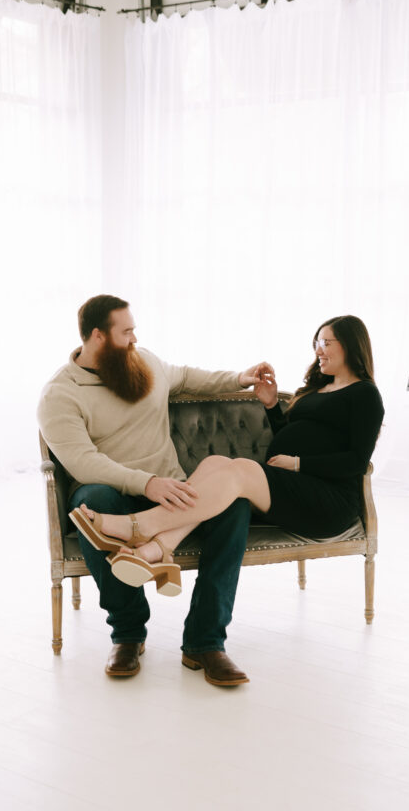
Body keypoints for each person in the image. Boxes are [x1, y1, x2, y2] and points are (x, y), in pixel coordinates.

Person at [72, 316, 385, 665]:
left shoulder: (365, 395)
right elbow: (293, 433)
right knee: (214, 463)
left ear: (352, 346)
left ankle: (141, 526)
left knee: (242, 471)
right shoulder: (315, 389)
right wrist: (270, 406)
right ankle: (158, 550)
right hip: (292, 488)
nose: (319, 350)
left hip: (327, 501)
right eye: (317, 342)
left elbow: (357, 461)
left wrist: (298, 464)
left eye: (328, 343)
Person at [38, 294, 273, 687]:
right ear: (97, 336)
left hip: (171, 490)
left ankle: (205, 641)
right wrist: (146, 483)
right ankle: (128, 634)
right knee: (90, 504)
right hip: (110, 494)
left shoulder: (143, 361)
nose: (134, 338)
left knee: (234, 506)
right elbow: (82, 462)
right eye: (125, 331)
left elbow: (185, 376)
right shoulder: (60, 394)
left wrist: (239, 378)